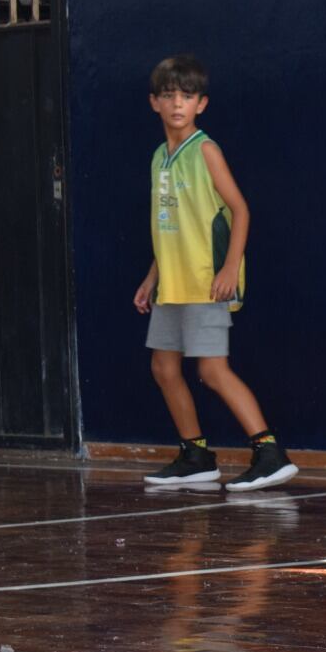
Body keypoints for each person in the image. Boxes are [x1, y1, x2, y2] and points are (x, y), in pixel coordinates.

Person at [133, 54, 295, 492]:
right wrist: (152, 278)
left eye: (186, 96)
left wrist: (229, 267)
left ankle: (269, 451)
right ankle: (196, 454)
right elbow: (168, 227)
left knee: (212, 370)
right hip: (173, 283)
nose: (177, 104)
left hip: (206, 281)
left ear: (201, 104)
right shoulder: (157, 158)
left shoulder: (205, 150)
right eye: (168, 96)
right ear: (154, 103)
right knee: (164, 367)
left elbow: (240, 210)